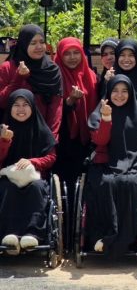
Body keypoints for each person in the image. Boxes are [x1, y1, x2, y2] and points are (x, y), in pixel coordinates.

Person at [85, 74, 137, 256]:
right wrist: (106, 118)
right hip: (104, 164)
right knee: (106, 183)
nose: (120, 95)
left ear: (131, 93)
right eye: (115, 91)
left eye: (124, 91)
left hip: (133, 165)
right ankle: (103, 235)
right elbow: (100, 141)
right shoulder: (99, 113)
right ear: (108, 92)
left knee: (129, 183)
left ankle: (124, 240)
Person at [0, 89, 57, 254]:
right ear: (10, 107)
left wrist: (33, 162)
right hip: (7, 177)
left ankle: (33, 234)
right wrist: (5, 141)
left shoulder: (41, 129)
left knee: (36, 188)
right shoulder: (3, 130)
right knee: (7, 188)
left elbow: (51, 157)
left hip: (34, 177)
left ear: (32, 107)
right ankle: (9, 235)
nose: (21, 109)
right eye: (16, 105)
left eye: (25, 105)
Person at [0, 24, 63, 140]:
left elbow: (56, 107)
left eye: (42, 42)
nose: (39, 47)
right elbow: (2, 102)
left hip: (40, 135)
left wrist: (51, 138)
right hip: (11, 136)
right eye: (33, 43)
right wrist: (19, 78)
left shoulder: (52, 70)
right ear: (23, 45)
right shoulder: (7, 68)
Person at [54, 37, 98, 203]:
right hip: (62, 140)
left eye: (76, 53)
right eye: (67, 54)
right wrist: (70, 101)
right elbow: (51, 110)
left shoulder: (91, 76)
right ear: (60, 55)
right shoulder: (54, 76)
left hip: (87, 139)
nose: (72, 57)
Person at [108, 39, 137, 126]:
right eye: (122, 55)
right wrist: (107, 83)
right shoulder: (110, 79)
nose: (126, 59)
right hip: (115, 130)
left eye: (131, 55)